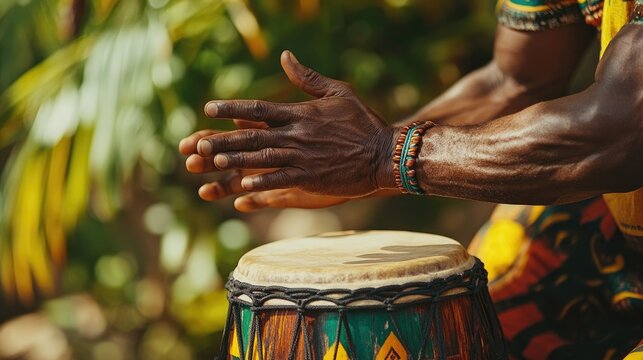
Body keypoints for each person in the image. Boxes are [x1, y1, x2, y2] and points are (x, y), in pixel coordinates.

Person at [180, 0, 643, 358]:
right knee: (464, 322)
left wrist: (382, 156)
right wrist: (345, 159)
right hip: (611, 228)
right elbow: (514, 79)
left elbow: (618, 133)